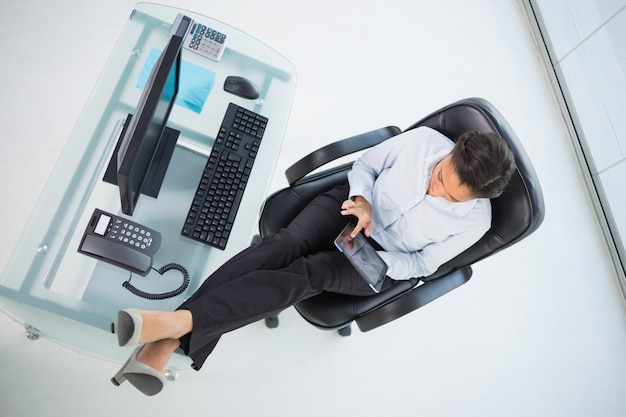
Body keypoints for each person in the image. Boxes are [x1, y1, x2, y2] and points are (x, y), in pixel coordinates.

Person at [110, 126, 515, 395]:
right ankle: (170, 336)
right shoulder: (423, 141)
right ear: (451, 153)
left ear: (476, 199)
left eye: (451, 197)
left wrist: (382, 262)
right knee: (281, 246)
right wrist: (363, 202)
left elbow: (424, 265)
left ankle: (173, 327)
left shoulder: (475, 223)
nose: (437, 190)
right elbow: (367, 166)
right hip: (355, 207)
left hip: (381, 260)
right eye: (441, 176)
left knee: (308, 273)